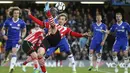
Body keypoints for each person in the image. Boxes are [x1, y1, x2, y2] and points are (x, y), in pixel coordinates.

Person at [25, 2, 88, 73]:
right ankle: (39, 69)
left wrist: (82, 35)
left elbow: (73, 34)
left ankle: (74, 69)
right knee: (45, 55)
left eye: (62, 19)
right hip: (52, 42)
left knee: (68, 51)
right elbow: (40, 23)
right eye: (60, 19)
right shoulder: (53, 24)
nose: (60, 20)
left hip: (61, 41)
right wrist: (30, 16)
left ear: (65, 21)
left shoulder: (66, 29)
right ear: (57, 19)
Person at [2, 7, 26, 73]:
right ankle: (5, 58)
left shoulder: (21, 22)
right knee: (6, 53)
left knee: (14, 52)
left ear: (19, 14)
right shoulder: (8, 21)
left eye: (17, 13)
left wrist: (21, 38)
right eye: (15, 13)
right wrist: (4, 35)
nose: (16, 14)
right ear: (12, 14)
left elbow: (24, 31)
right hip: (9, 39)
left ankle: (11, 68)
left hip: (16, 40)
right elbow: (3, 28)